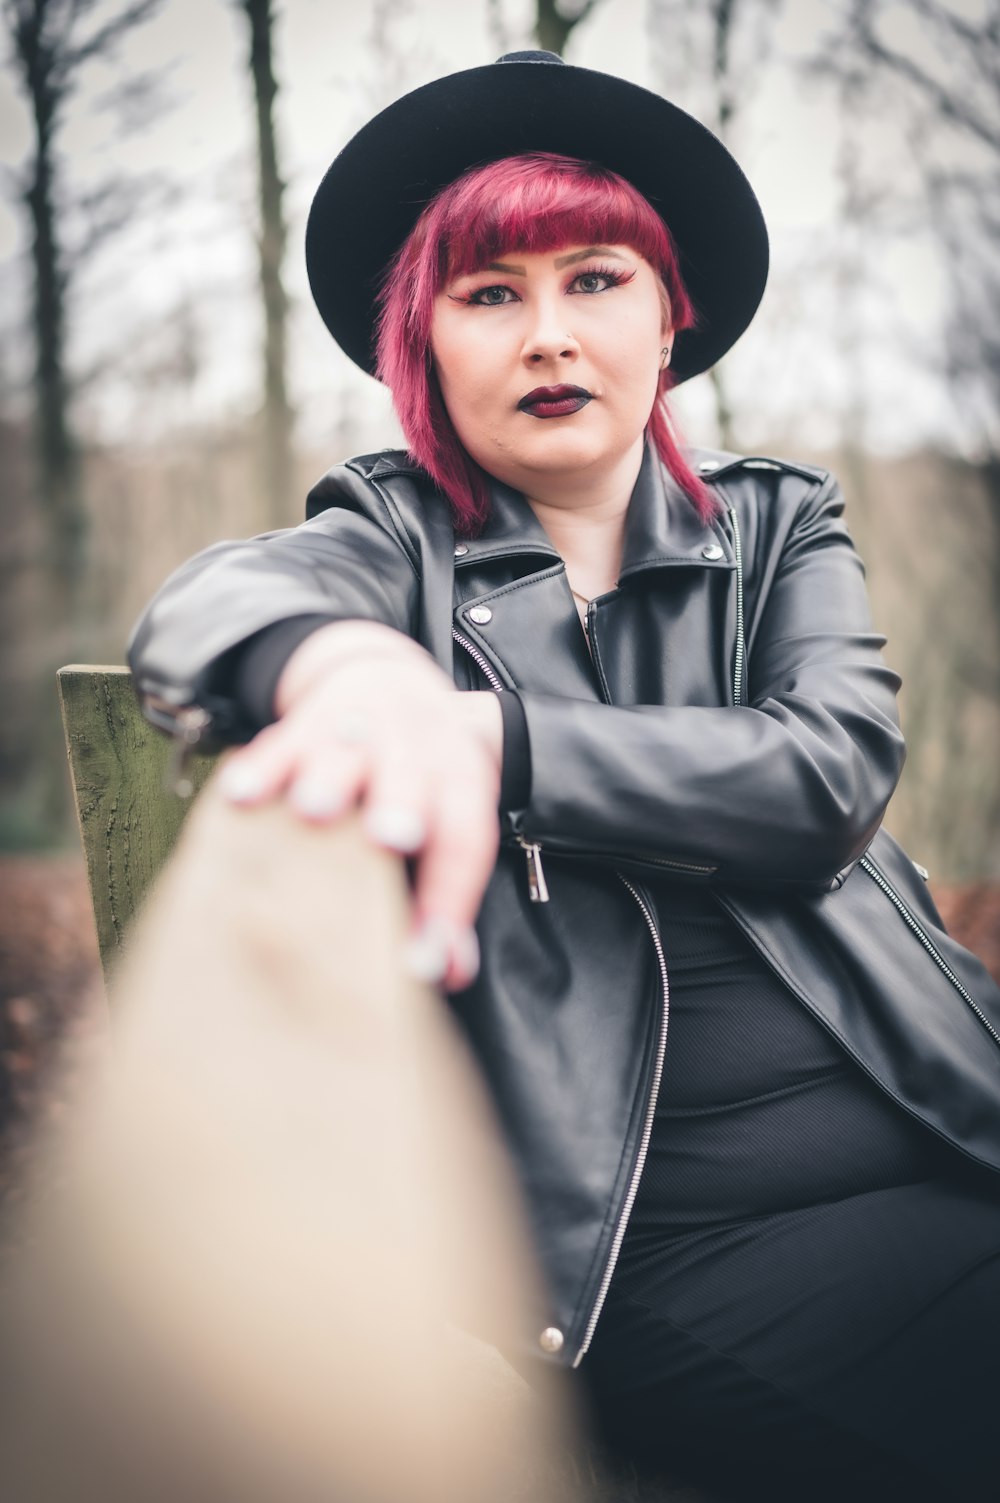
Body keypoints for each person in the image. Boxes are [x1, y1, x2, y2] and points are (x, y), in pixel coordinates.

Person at [127, 51, 1000, 1503]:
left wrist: (498, 739)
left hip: (950, 1121)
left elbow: (825, 773)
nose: (549, 335)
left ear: (671, 324)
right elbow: (203, 609)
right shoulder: (392, 540)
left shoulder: (776, 525)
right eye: (489, 295)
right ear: (427, 345)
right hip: (665, 1252)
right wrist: (354, 672)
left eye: (596, 279)